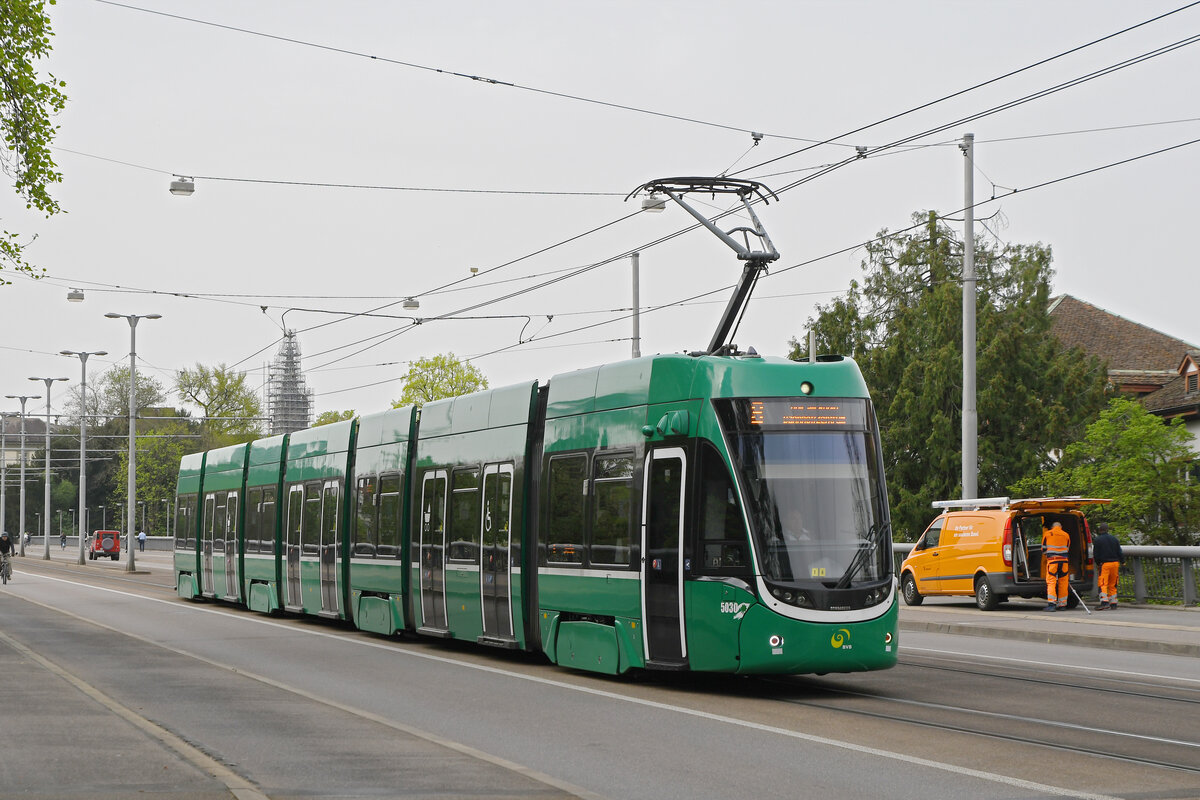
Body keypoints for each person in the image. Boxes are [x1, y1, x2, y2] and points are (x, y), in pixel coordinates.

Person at [1092, 522, 1124, 610]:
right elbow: (1119, 552)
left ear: (1100, 530)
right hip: (1115, 564)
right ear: (1107, 530)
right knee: (1113, 584)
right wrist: (1123, 561)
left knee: (1103, 583)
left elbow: (1096, 554)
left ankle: (1104, 602)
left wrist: (1098, 563)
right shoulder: (1114, 539)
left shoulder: (1098, 540)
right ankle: (1113, 603)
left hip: (1105, 564)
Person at [1042, 521, 1071, 612]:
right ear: (1061, 526)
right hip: (1064, 562)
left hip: (1052, 561)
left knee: (1051, 581)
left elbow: (1043, 549)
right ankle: (1062, 604)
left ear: (1052, 527)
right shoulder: (1066, 535)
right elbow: (1068, 548)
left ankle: (1052, 604)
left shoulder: (1047, 534)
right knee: (1063, 582)